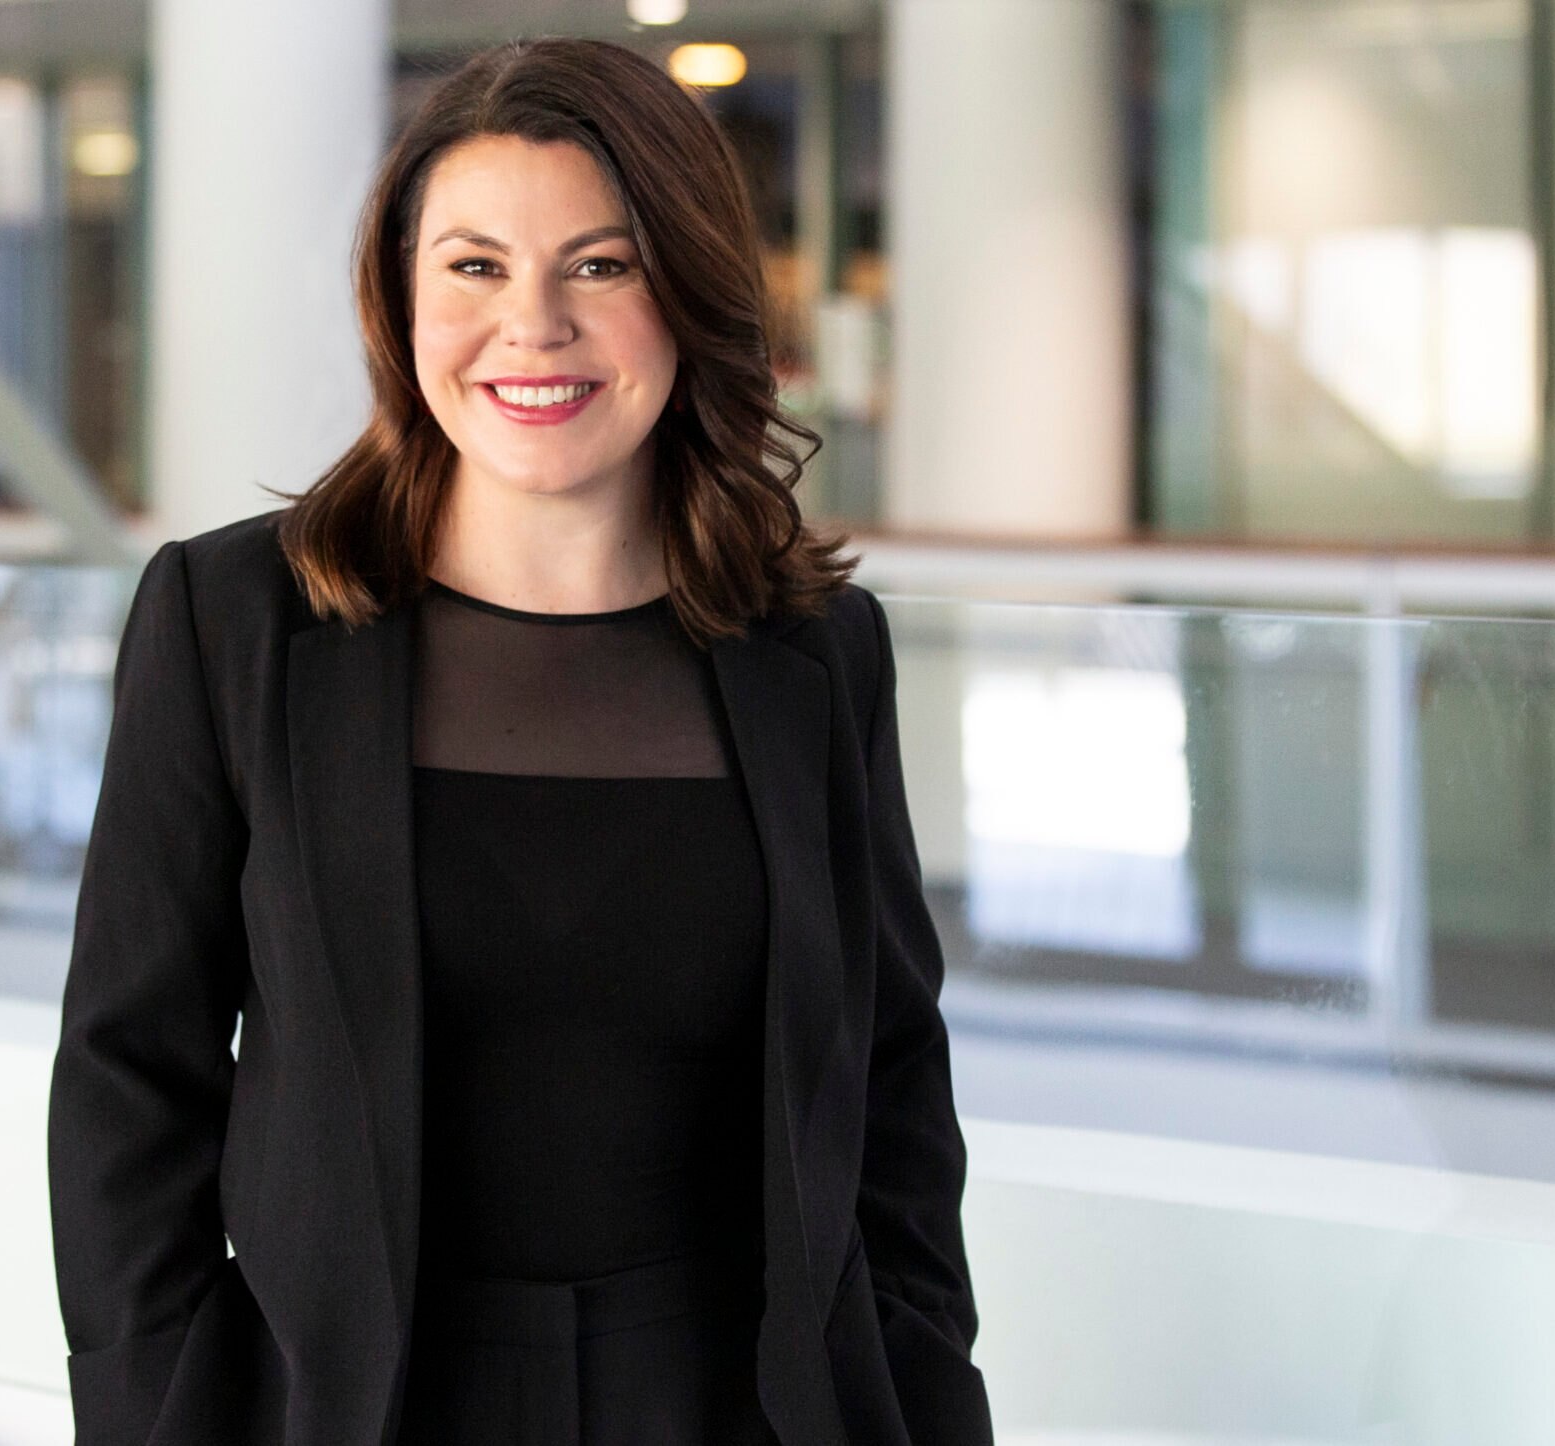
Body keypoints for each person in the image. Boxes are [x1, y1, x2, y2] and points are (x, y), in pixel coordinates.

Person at [48, 36, 991, 1446]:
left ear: (688, 294)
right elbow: (130, 1083)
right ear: (401, 300)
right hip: (351, 1409)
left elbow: (894, 1084)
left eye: (599, 266)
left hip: (740, 1405)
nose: (531, 326)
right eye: (474, 267)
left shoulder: (815, 652)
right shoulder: (230, 619)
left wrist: (922, 1393)